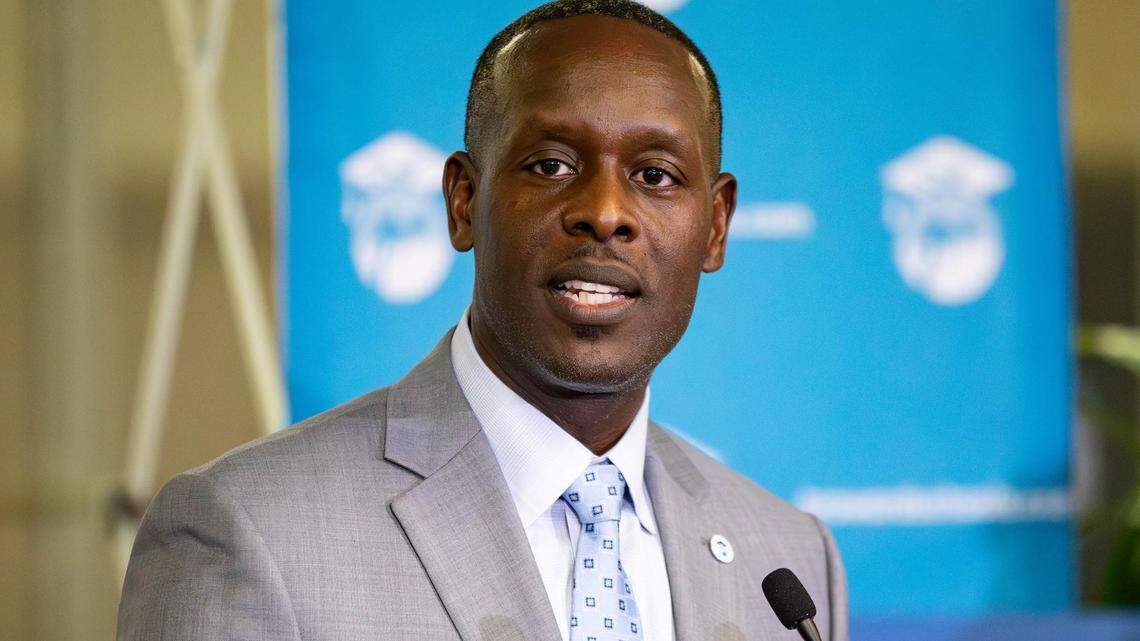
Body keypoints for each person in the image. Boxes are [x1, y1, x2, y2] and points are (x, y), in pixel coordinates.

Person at [117, 1, 848, 640]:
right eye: (551, 165)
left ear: (716, 226)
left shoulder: (789, 556)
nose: (604, 213)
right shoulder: (247, 530)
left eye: (655, 176)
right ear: (464, 200)